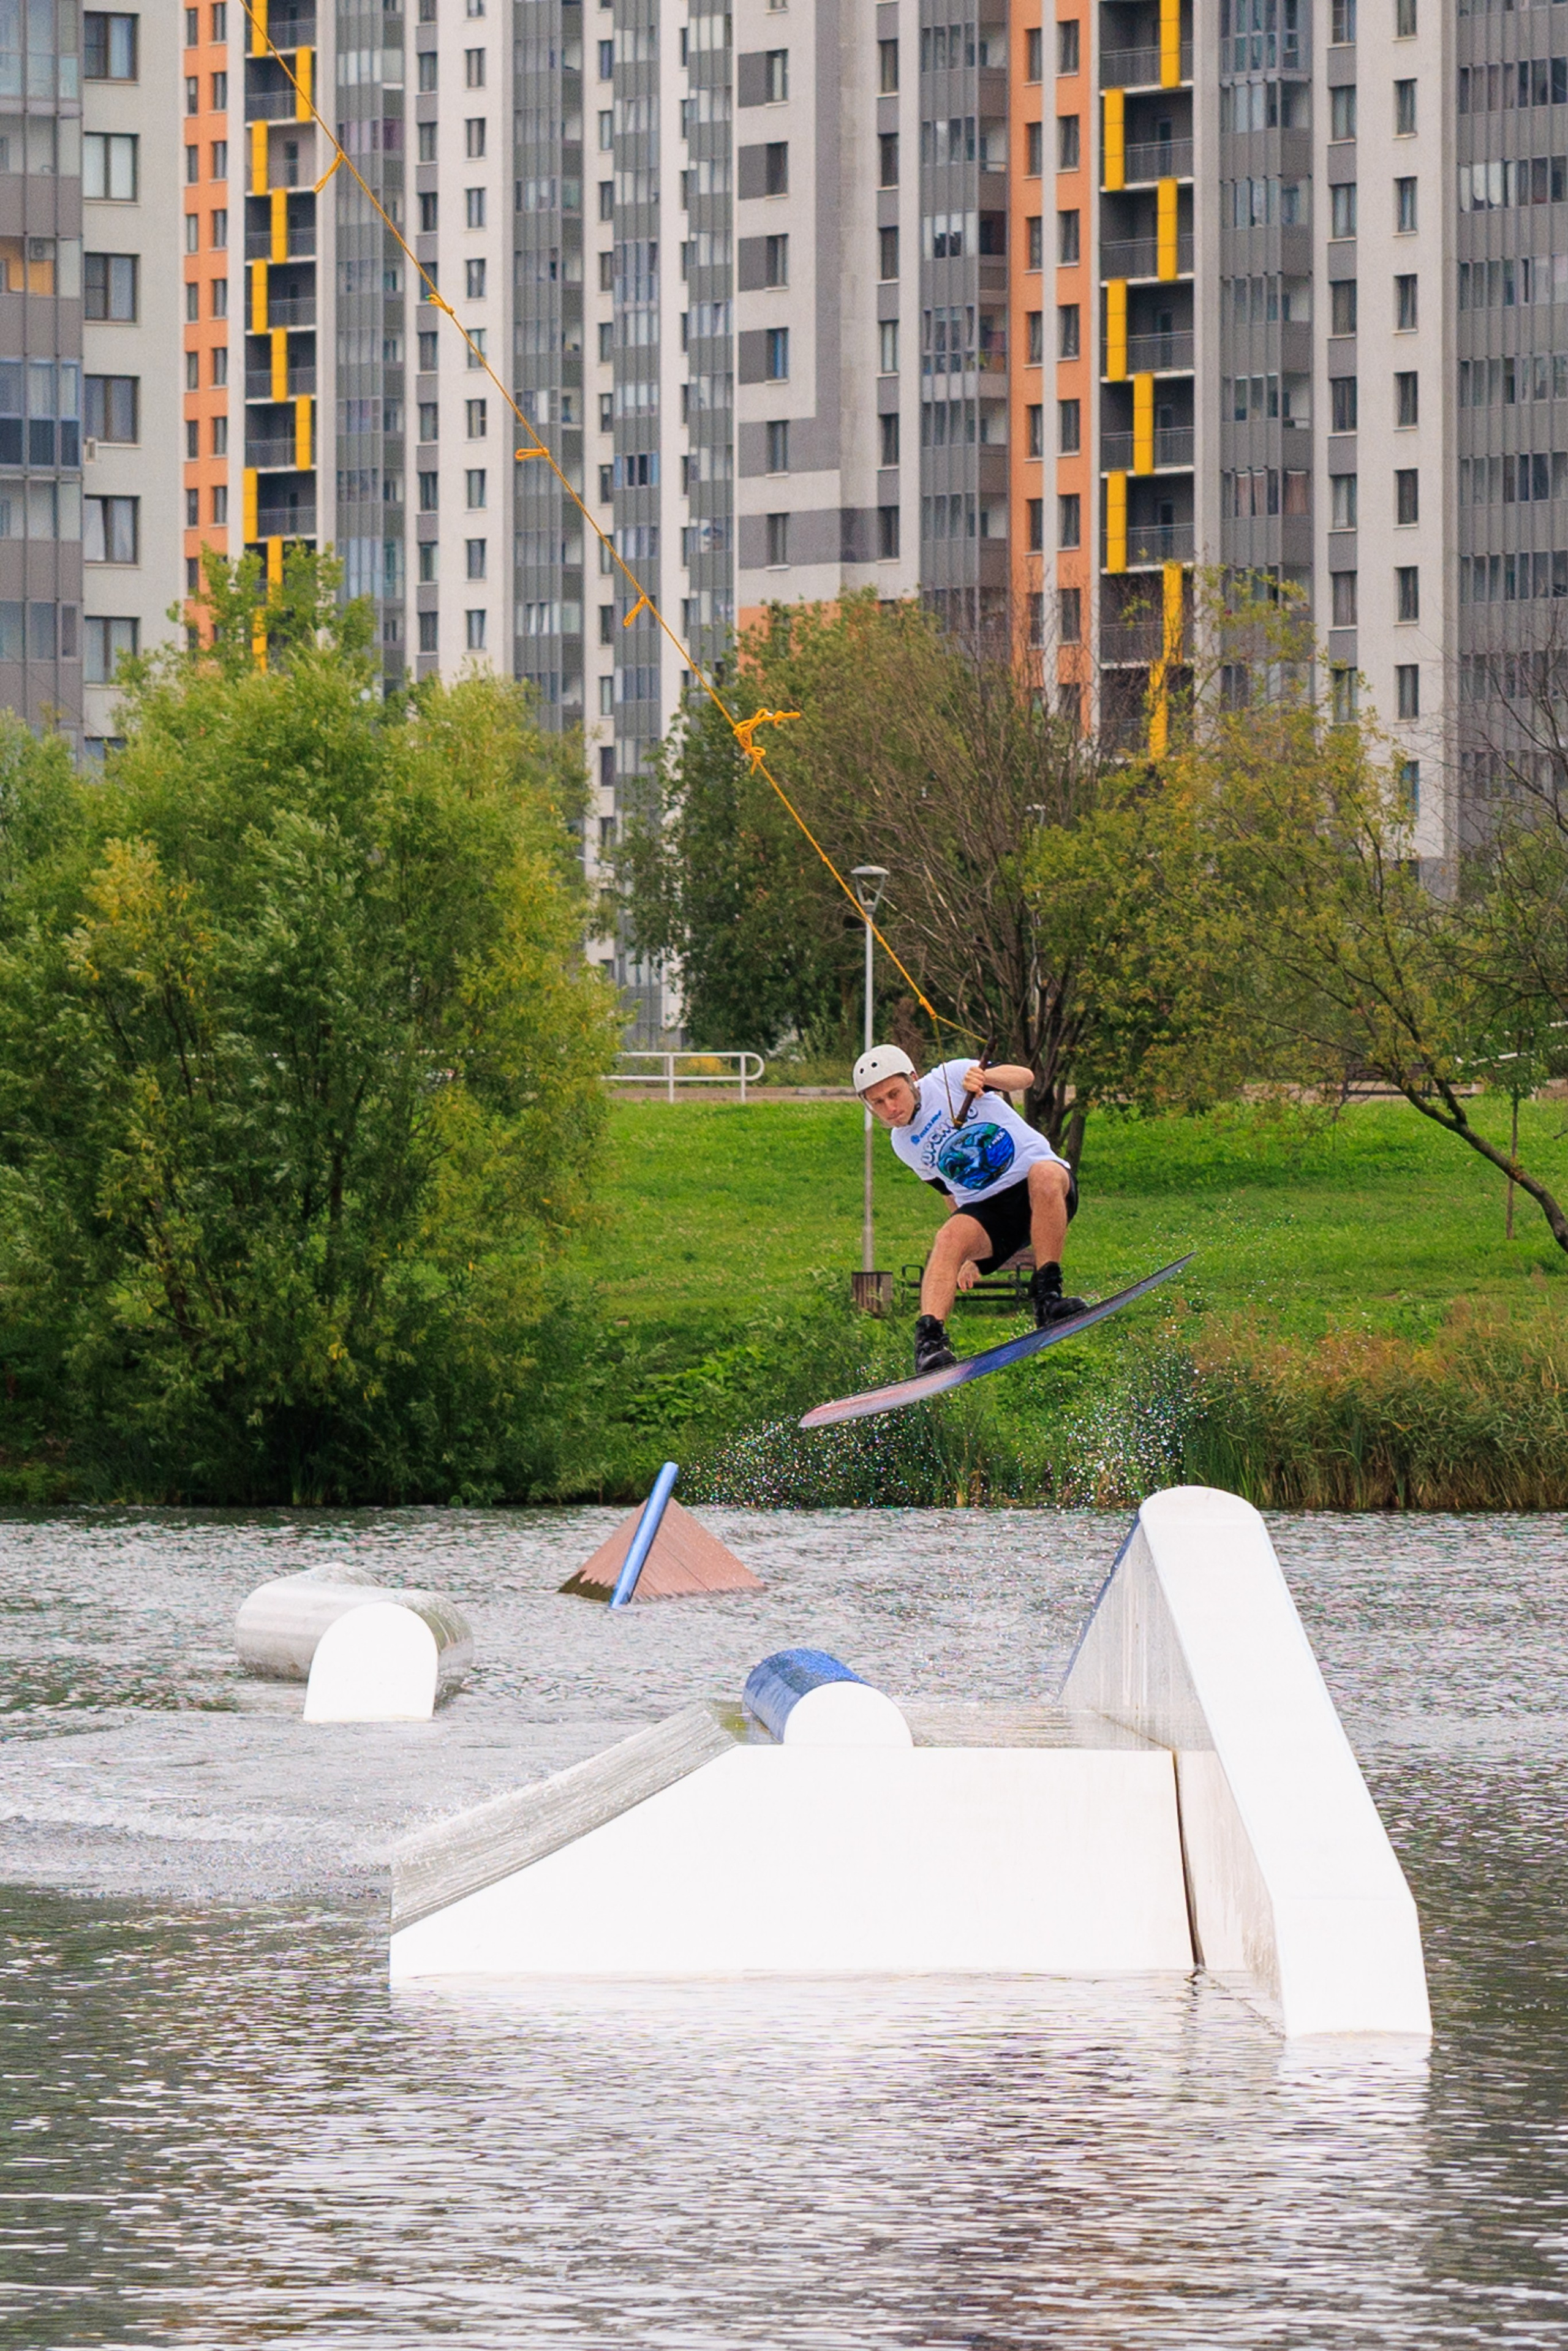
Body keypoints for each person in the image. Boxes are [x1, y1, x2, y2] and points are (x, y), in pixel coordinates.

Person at [853, 1045, 1085, 1375]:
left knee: (1044, 1173)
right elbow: (951, 1193)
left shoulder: (949, 1077)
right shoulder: (903, 1143)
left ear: (913, 1080)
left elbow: (1026, 1077)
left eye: (894, 1094)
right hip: (993, 1214)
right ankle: (930, 1344)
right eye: (878, 1102)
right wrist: (968, 1256)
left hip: (1045, 1191)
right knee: (949, 1237)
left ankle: (1047, 1296)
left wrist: (985, 1078)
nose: (890, 1108)